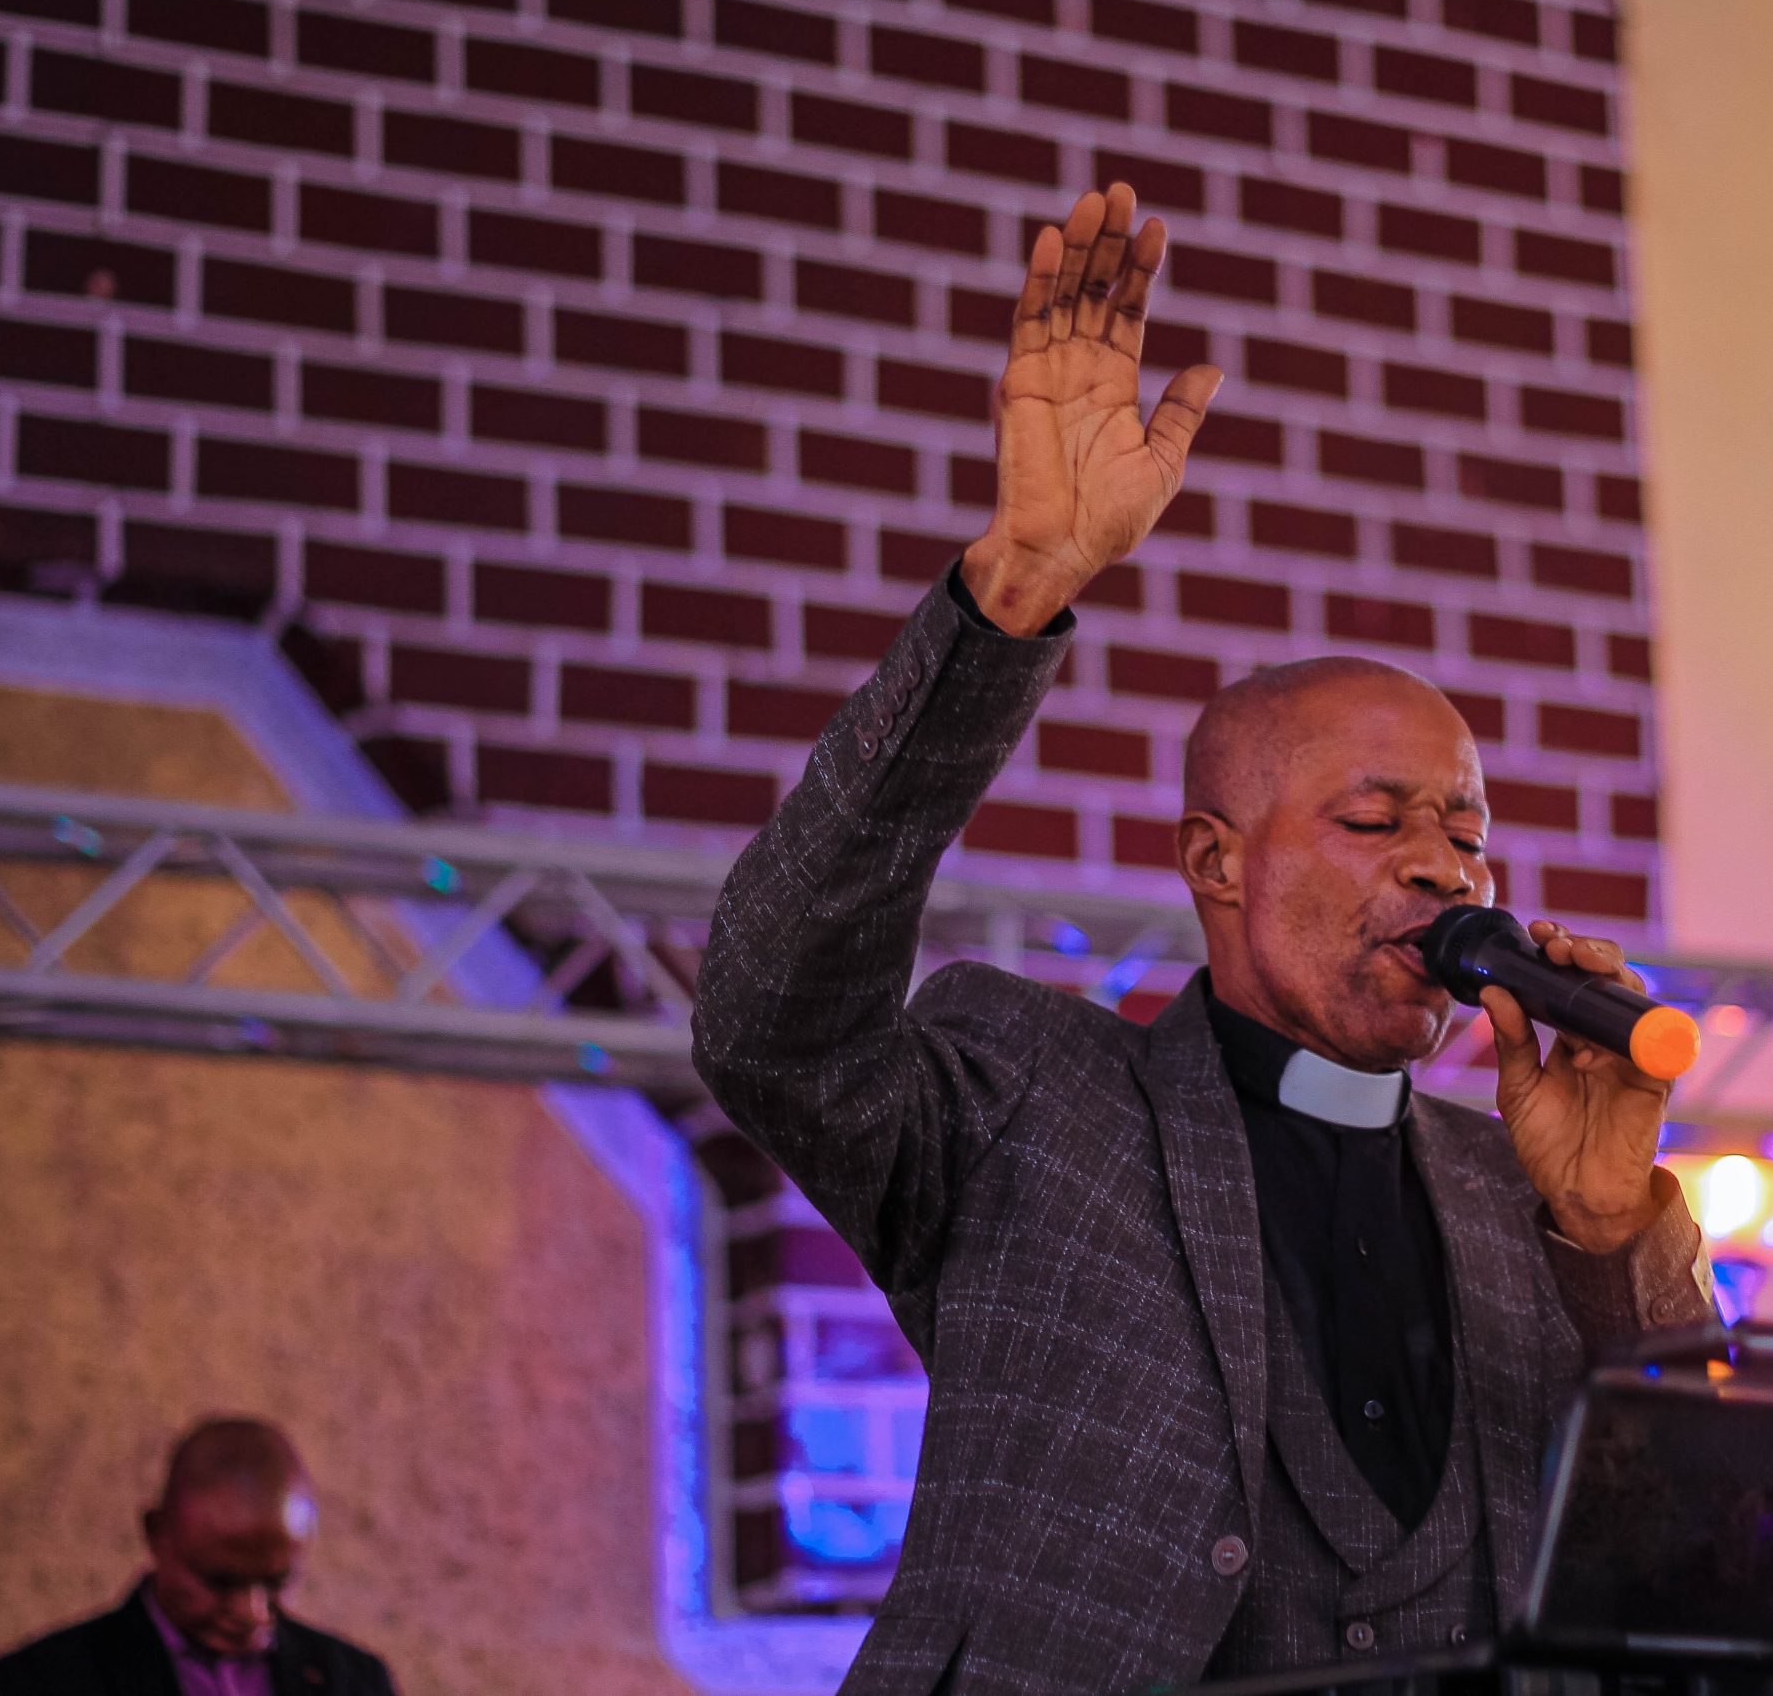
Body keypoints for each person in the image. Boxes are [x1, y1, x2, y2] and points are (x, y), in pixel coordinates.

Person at [691, 183, 1716, 1696]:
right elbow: (767, 1015)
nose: (1442, 865)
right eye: (1375, 820)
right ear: (1214, 861)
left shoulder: (1535, 1204)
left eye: (1467, 830)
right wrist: (1013, 591)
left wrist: (1618, 1240)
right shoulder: (1026, 1096)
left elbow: (1734, 1590)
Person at [0, 1418, 396, 1696]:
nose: (251, 1612)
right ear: (156, 1534)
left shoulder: (356, 1681)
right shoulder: (42, 1682)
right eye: (220, 1581)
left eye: (276, 1582)